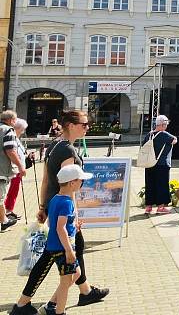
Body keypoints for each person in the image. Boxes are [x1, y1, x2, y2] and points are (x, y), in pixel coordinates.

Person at [12, 110, 109, 315]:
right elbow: (68, 185)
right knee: (62, 253)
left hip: (53, 206)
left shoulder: (55, 145)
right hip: (63, 211)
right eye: (84, 124)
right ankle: (29, 304)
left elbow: (47, 179)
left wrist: (42, 206)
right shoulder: (67, 151)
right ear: (71, 125)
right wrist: (75, 216)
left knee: (66, 252)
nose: (87, 127)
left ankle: (84, 291)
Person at [49, 164, 94, 315]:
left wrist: (74, 226)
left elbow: (55, 223)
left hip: (59, 246)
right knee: (65, 282)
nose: (82, 183)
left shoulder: (56, 199)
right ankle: (59, 311)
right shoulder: (67, 203)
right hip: (63, 248)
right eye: (81, 180)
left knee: (76, 274)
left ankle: (52, 305)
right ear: (72, 183)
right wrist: (68, 250)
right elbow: (59, 228)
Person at [144, 115, 178, 215]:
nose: (166, 126)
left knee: (149, 184)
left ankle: (148, 207)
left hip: (149, 163)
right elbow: (175, 140)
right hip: (161, 163)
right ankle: (160, 207)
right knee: (161, 185)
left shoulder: (149, 135)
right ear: (163, 124)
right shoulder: (164, 134)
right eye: (166, 124)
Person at [1, 110, 26, 231]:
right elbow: (11, 151)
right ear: (11, 120)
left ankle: (4, 220)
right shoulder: (8, 131)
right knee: (1, 198)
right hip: (2, 171)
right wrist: (21, 166)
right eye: (15, 120)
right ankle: (4, 221)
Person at [5, 118, 30, 220]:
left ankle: (9, 210)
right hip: (14, 170)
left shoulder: (17, 139)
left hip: (18, 170)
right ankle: (6, 212)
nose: (23, 131)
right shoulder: (12, 138)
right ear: (18, 128)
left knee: (14, 191)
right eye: (22, 129)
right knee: (10, 191)